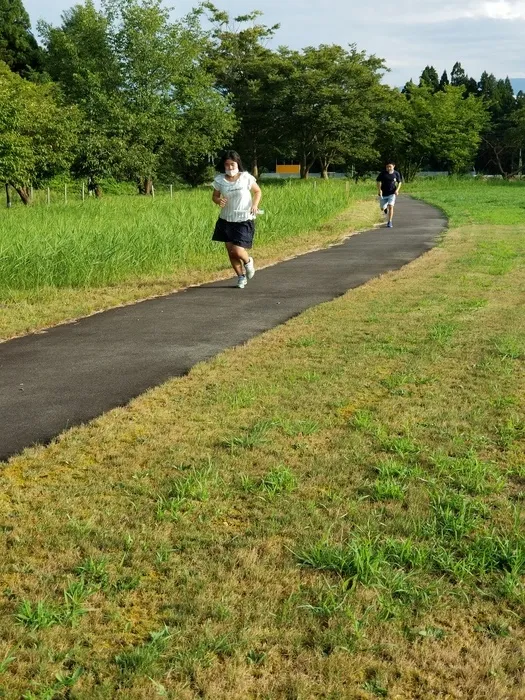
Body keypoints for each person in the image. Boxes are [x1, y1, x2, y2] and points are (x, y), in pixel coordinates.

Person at [212, 151, 262, 288]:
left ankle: (248, 261)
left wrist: (255, 205)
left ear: (237, 164)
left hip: (243, 219)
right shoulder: (219, 180)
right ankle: (241, 277)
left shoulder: (246, 178)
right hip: (226, 220)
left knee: (238, 250)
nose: (230, 167)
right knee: (230, 251)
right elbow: (215, 196)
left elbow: (257, 191)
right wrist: (219, 201)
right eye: (227, 164)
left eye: (232, 164)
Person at [376, 162, 403, 228]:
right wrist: (379, 190)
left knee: (391, 206)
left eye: (390, 166)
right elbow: (378, 181)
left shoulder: (396, 173)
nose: (388, 168)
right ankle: (385, 208)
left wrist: (397, 190)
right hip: (384, 193)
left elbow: (399, 182)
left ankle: (389, 221)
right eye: (387, 167)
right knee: (382, 208)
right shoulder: (383, 173)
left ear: (393, 166)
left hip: (392, 193)